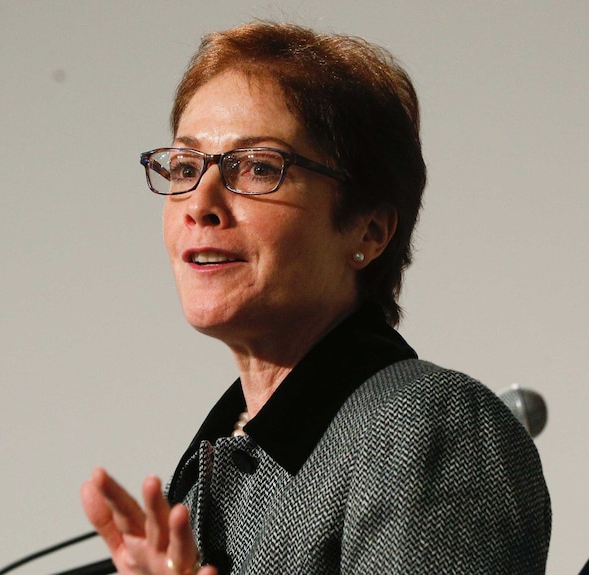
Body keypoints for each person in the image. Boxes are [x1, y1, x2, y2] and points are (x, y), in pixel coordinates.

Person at [78, 21, 551, 575]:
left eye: (257, 168)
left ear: (368, 231)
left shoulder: (429, 426)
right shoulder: (209, 474)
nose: (199, 203)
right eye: (185, 167)